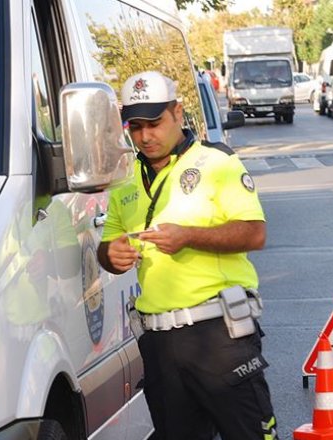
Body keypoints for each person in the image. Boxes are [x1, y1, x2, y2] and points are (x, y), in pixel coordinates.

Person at [97, 71, 278, 440]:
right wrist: (110, 254)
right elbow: (108, 245)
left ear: (178, 114)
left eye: (155, 123)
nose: (145, 136)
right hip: (159, 344)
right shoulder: (125, 178)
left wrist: (188, 237)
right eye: (135, 126)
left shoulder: (217, 163)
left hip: (219, 337)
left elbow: (254, 233)